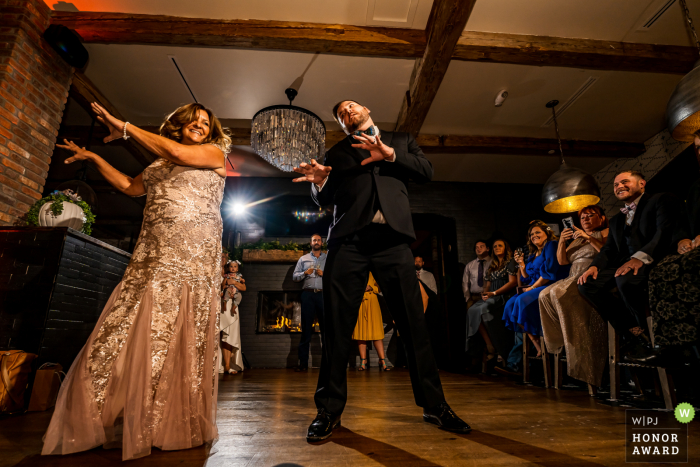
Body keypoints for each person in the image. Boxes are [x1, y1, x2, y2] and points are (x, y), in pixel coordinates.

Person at [43, 102, 231, 460]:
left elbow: (175, 150)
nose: (199, 126)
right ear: (179, 124)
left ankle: (173, 420)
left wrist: (125, 126)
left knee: (175, 328)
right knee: (127, 325)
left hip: (191, 253)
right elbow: (130, 187)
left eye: (205, 123)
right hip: (153, 252)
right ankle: (106, 415)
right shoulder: (159, 164)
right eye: (193, 121)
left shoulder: (213, 153)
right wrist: (94, 159)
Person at [293, 99, 470, 441]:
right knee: (336, 328)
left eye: (351, 107)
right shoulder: (337, 152)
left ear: (367, 109)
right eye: (341, 113)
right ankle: (329, 411)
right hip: (349, 242)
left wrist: (389, 154)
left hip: (393, 242)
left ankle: (435, 406)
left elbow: (426, 172)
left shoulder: (401, 140)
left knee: (413, 326)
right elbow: (324, 196)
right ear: (342, 125)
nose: (347, 112)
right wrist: (317, 184)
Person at [578, 170, 685, 362]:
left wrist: (640, 257)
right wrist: (594, 267)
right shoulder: (617, 219)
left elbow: (664, 232)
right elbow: (608, 249)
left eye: (624, 182)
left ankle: (652, 336)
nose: (619, 186)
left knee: (625, 279)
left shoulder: (661, 199)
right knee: (587, 284)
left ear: (642, 183)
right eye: (616, 185)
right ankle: (633, 332)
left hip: (656, 258)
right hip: (624, 264)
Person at [643, 136, 700, 366]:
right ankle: (675, 346)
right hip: (694, 249)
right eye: (698, 148)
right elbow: (684, 224)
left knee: (682, 268)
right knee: (661, 269)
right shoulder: (696, 187)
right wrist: (682, 239)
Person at [539, 206, 609, 387]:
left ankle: (573, 342)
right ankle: (560, 340)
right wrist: (562, 240)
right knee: (543, 295)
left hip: (590, 275)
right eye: (583, 217)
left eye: (590, 216)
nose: (585, 219)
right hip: (572, 274)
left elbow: (608, 253)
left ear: (601, 218)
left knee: (556, 292)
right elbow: (562, 261)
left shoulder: (605, 232)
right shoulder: (577, 238)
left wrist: (589, 238)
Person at [503, 221, 565, 356]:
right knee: (509, 305)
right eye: (531, 234)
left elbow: (549, 273)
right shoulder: (533, 253)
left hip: (549, 284)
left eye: (537, 232)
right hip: (534, 286)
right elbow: (526, 277)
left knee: (521, 301)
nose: (534, 235)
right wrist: (521, 265)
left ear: (546, 233)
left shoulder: (551, 245)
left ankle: (542, 344)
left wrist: (532, 287)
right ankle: (535, 340)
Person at [466, 239, 517, 364]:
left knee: (483, 310)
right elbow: (487, 285)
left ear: (506, 248)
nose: (497, 248)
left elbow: (512, 282)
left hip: (503, 296)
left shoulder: (510, 262)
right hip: (491, 296)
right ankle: (489, 344)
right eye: (495, 246)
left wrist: (494, 293)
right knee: (472, 310)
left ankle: (500, 349)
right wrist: (485, 294)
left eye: (500, 246)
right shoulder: (492, 264)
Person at [292, 233, 326, 371]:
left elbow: (336, 276)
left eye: (318, 240)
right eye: (314, 240)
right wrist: (305, 273)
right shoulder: (303, 259)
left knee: (326, 330)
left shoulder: (328, 258)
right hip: (308, 295)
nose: (316, 242)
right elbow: (295, 277)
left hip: (323, 295)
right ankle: (303, 363)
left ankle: (327, 363)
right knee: (306, 329)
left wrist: (326, 274)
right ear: (310, 243)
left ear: (322, 243)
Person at [352, 272, 391, 371]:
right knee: (361, 332)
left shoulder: (373, 272)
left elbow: (381, 286)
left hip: (373, 303)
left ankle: (382, 360)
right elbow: (349, 287)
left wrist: (372, 288)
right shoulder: (356, 272)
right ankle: (363, 360)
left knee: (376, 332)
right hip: (360, 303)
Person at [221, 260, 245, 375]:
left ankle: (229, 364)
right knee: (224, 333)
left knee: (231, 335)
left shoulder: (236, 276)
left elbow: (244, 288)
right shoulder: (222, 275)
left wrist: (234, 283)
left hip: (233, 306)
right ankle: (225, 365)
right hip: (223, 305)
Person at [462, 240, 492, 309]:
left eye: (481, 247)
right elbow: (465, 283)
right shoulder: (470, 265)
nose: (479, 249)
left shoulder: (493, 263)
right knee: (472, 318)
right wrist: (467, 298)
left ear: (487, 249)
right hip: (473, 298)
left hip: (489, 296)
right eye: (477, 247)